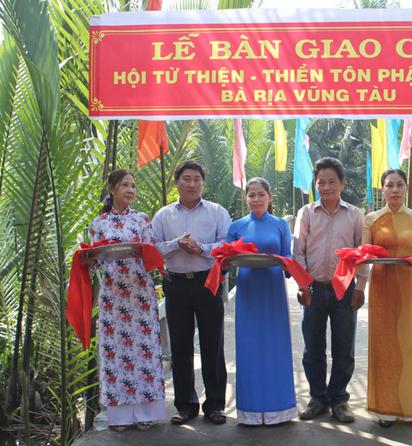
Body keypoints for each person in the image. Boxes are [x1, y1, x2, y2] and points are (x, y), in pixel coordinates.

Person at [151, 160, 230, 425]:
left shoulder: (217, 212)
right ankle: (185, 405)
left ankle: (215, 405)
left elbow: (227, 244)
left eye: (197, 179)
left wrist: (202, 249)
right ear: (176, 182)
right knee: (180, 345)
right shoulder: (163, 215)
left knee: (212, 345)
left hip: (208, 281)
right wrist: (178, 244)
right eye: (186, 179)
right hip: (175, 284)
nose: (192, 184)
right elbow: (154, 248)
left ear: (203, 183)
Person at [88, 169, 165, 432]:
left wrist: (147, 252)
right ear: (112, 189)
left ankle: (146, 412)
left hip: (140, 293)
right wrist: (88, 259)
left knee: (144, 350)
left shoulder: (142, 220)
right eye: (125, 185)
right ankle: (119, 415)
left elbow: (153, 253)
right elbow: (95, 261)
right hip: (113, 296)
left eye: (133, 185)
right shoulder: (99, 223)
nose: (131, 190)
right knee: (116, 352)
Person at [293, 157, 366, 423]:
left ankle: (339, 400)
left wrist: (360, 287)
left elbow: (362, 253)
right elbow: (298, 252)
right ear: (315, 184)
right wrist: (303, 285)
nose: (326, 187)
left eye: (332, 182)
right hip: (313, 288)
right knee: (313, 347)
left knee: (344, 347)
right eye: (321, 182)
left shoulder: (355, 215)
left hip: (344, 289)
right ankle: (317, 398)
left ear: (342, 183)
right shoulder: (306, 213)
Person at [225, 177, 297, 425]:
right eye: (251, 195)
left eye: (260, 194)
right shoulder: (236, 226)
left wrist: (288, 266)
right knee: (249, 347)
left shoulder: (280, 225)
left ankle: (280, 409)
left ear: (269, 197)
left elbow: (287, 257)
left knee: (276, 347)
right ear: (246, 198)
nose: (256, 199)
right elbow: (225, 259)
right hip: (248, 291)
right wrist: (225, 262)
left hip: (273, 291)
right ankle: (251, 412)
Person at [362, 168, 412, 428]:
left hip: (409, 284)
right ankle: (386, 409)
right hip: (382, 286)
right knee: (384, 345)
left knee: (411, 344)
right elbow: (365, 252)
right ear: (382, 189)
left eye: (399, 185)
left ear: (406, 188)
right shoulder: (371, 219)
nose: (395, 190)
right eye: (389, 185)